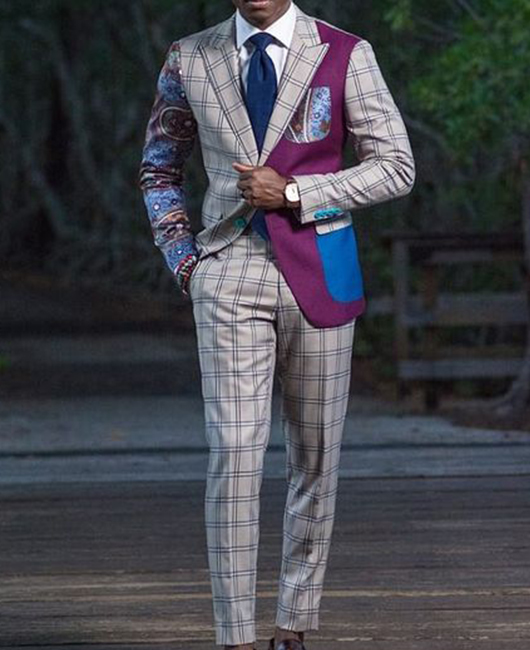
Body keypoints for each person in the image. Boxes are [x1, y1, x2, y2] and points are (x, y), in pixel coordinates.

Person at [138, 0, 415, 648]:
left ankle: (294, 624)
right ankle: (235, 635)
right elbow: (159, 168)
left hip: (321, 268)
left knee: (314, 457)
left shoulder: (346, 53)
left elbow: (396, 166)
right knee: (235, 453)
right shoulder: (190, 56)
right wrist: (185, 262)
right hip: (227, 272)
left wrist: (295, 193)